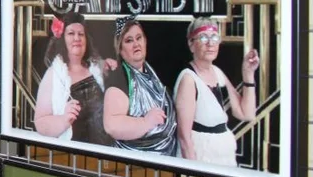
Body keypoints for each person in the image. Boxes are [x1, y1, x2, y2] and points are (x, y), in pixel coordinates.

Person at [173, 18, 260, 165]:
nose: (210, 43)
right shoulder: (188, 79)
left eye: (214, 37)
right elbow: (184, 136)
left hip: (224, 157)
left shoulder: (217, 72)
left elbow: (246, 114)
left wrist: (248, 74)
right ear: (191, 44)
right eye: (203, 37)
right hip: (201, 158)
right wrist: (194, 174)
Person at [33, 12, 116, 146]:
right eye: (71, 33)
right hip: (74, 157)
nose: (77, 38)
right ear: (62, 39)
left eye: (81, 34)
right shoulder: (53, 76)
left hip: (107, 153)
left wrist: (110, 67)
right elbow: (40, 123)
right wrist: (63, 120)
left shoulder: (97, 69)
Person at [103, 16, 179, 157]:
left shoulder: (153, 75)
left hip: (166, 161)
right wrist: (145, 122)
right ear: (120, 49)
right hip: (135, 166)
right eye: (129, 41)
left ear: (145, 41)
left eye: (139, 38)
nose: (136, 44)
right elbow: (111, 125)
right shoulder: (119, 78)